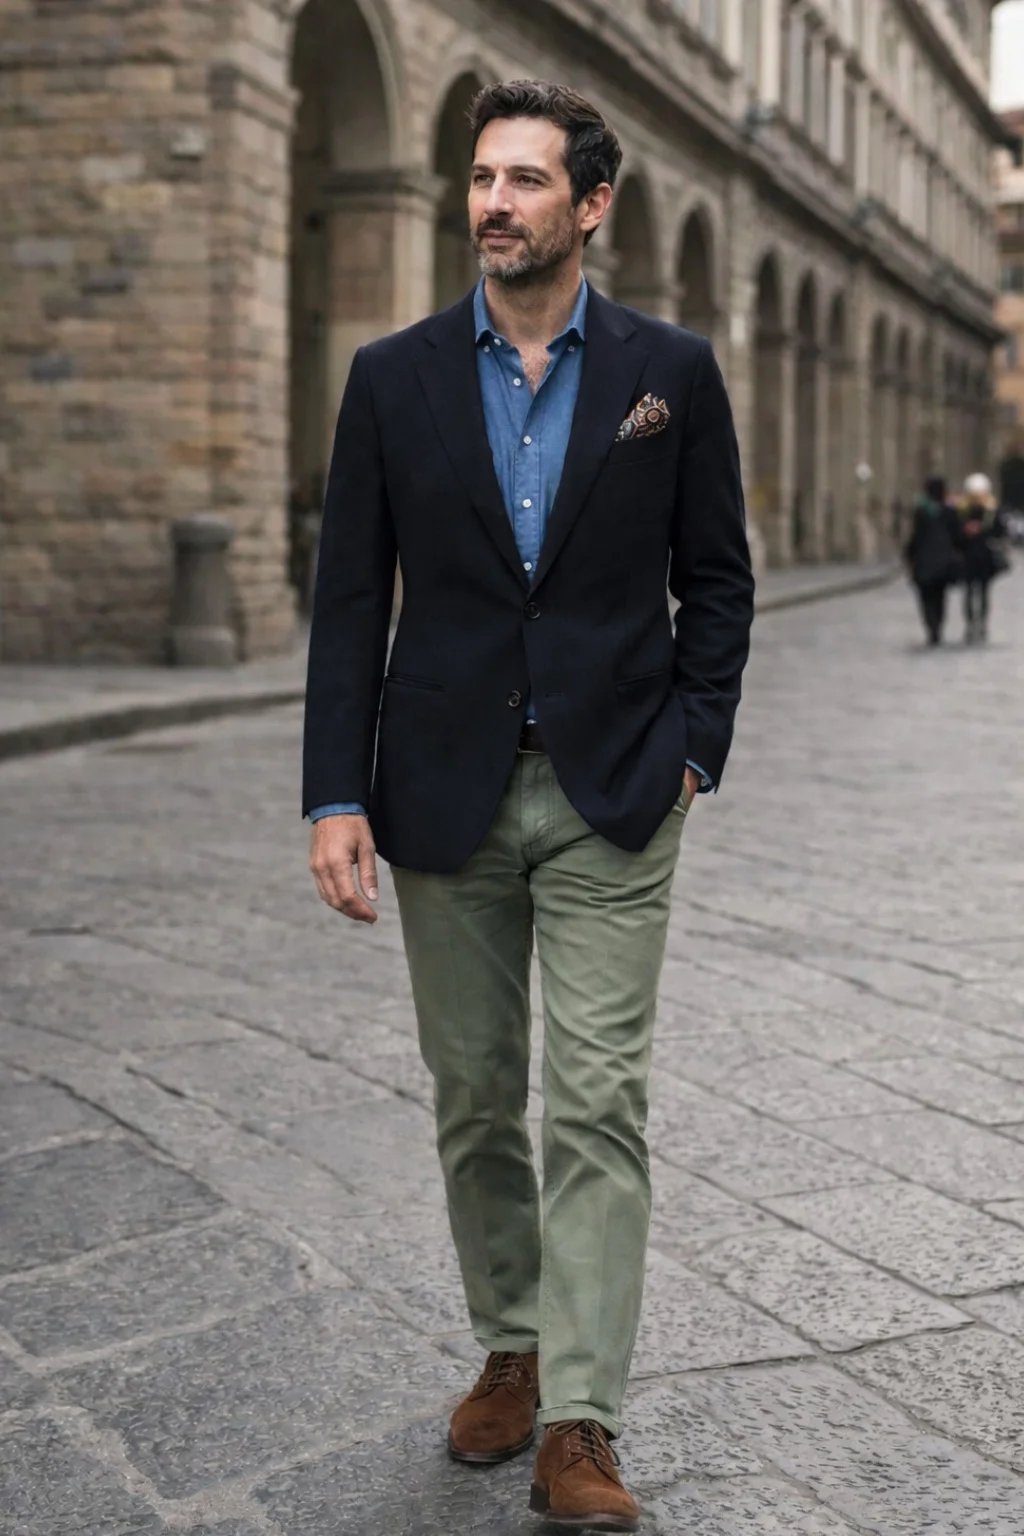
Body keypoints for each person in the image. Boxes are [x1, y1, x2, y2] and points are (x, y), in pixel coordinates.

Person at [303, 79, 754, 1532]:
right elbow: (347, 604)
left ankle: (581, 1420)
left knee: (600, 1101)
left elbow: (720, 578)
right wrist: (332, 794)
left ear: (592, 206)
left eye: (526, 180)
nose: (494, 201)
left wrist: (696, 741)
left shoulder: (668, 371)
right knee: (476, 1095)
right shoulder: (393, 377)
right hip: (440, 793)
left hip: (617, 791)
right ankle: (511, 1338)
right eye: (481, 177)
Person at [904, 476, 962, 646]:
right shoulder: (950, 511)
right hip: (944, 560)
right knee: (940, 596)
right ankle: (938, 625)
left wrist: (909, 555)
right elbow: (956, 536)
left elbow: (915, 537)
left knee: (925, 597)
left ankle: (931, 626)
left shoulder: (921, 512)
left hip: (924, 560)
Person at [957, 472, 1010, 644]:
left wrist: (983, 531)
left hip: (984, 557)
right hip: (968, 556)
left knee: (982, 592)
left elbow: (1000, 531)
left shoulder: (992, 510)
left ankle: (981, 623)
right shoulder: (961, 510)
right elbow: (954, 532)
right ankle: (972, 623)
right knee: (970, 593)